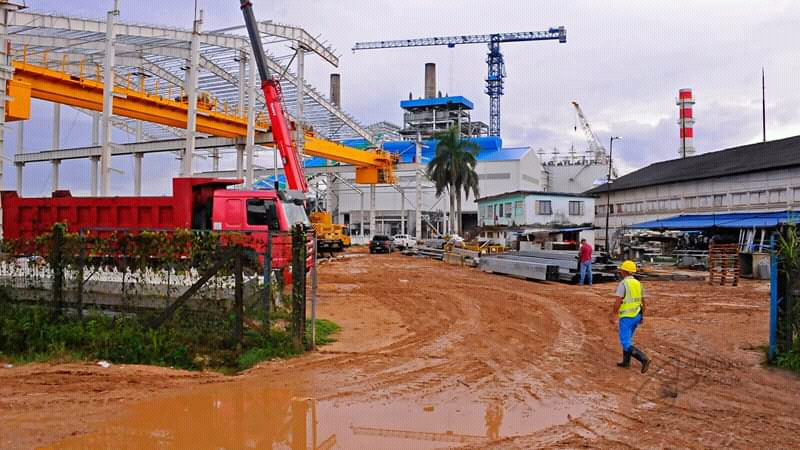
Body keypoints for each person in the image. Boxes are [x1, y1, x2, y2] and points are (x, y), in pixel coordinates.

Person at [610, 260, 650, 373]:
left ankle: (643, 359)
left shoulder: (623, 284)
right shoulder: (638, 283)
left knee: (625, 342)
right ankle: (626, 362)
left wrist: (613, 314)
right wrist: (642, 316)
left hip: (627, 317)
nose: (620, 271)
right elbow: (643, 301)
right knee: (628, 339)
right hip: (637, 315)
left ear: (624, 271)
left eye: (621, 270)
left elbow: (617, 302)